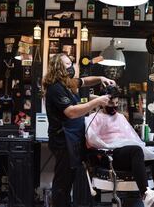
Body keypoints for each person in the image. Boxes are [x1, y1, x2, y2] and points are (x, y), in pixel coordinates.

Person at [85, 92, 154, 207]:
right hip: (110, 155)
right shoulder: (94, 118)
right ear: (102, 102)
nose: (115, 106)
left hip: (126, 155)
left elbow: (131, 136)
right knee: (136, 150)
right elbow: (91, 140)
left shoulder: (120, 117)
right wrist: (107, 144)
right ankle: (146, 195)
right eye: (111, 103)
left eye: (117, 103)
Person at [42, 53, 116, 207]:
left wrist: (101, 78)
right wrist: (96, 101)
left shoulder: (67, 84)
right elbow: (71, 112)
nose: (72, 67)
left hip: (73, 139)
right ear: (58, 67)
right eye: (68, 64)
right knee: (63, 182)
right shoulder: (56, 88)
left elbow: (84, 81)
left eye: (71, 63)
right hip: (63, 140)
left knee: (68, 180)